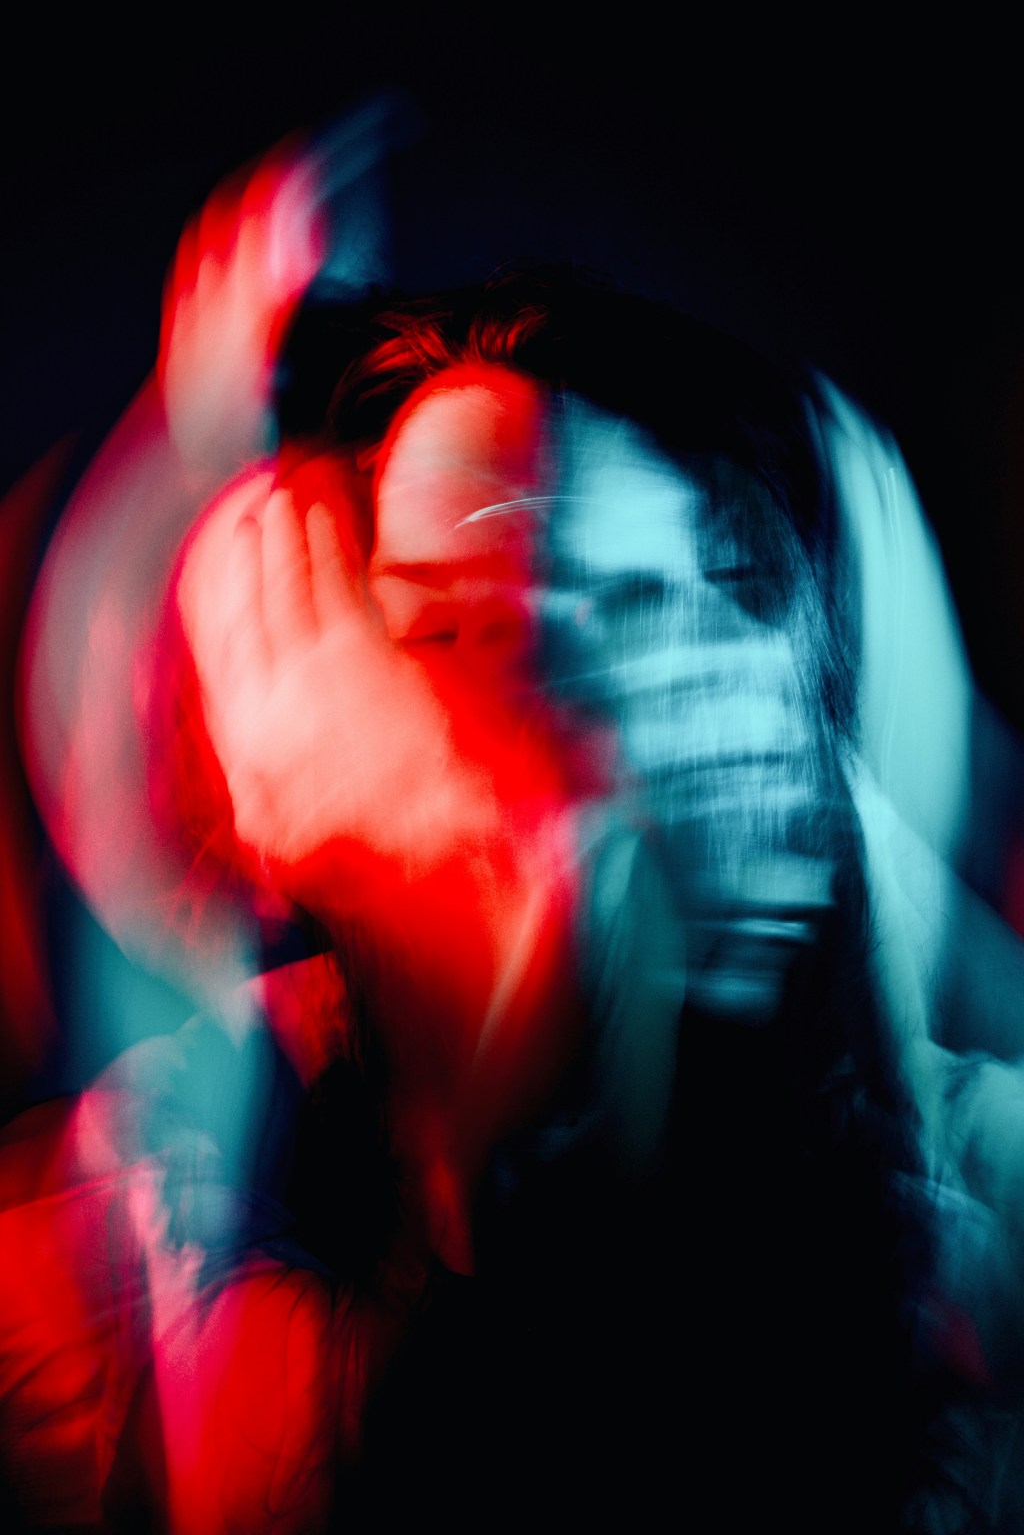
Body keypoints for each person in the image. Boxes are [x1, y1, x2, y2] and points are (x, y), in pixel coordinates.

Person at [4, 129, 1024, 1530]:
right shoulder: (167, 1200)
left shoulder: (976, 1194)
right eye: (453, 624)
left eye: (653, 601)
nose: (573, 709)